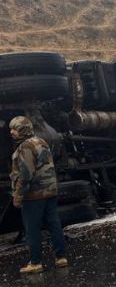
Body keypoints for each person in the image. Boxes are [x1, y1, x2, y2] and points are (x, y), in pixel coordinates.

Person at [8, 116, 67, 274]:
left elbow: (26, 175)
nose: (11, 132)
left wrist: (18, 195)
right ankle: (61, 257)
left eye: (15, 128)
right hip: (50, 190)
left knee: (32, 228)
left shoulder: (25, 147)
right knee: (54, 224)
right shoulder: (41, 141)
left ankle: (35, 262)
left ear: (23, 129)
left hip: (34, 195)